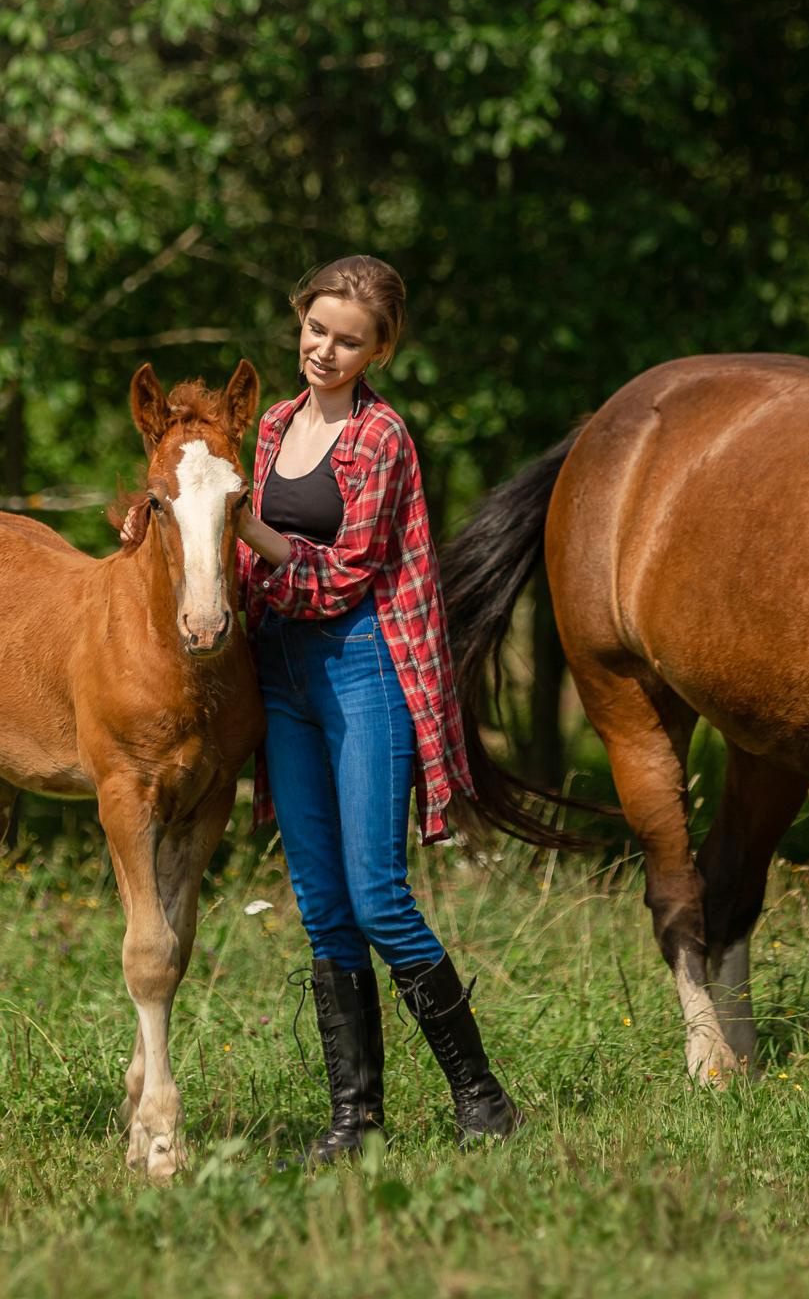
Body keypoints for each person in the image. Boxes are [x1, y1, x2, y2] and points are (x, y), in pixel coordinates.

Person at [232, 254, 519, 1160]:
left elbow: (341, 577)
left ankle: (482, 1095)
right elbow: (245, 571)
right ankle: (354, 1118)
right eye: (316, 328)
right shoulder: (273, 427)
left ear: (378, 351)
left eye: (347, 340)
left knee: (378, 896)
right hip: (281, 671)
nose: (324, 349)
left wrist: (243, 526)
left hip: (363, 667)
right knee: (321, 905)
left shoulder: (382, 439)